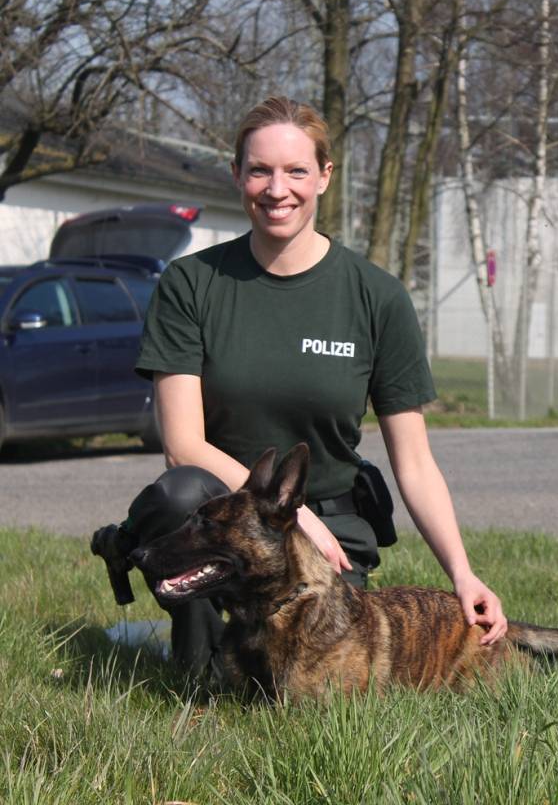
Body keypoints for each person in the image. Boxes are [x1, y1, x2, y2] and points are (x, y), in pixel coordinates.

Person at [107, 96, 506, 674]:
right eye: (259, 170)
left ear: (324, 176)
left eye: (296, 170)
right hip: (219, 516)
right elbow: (183, 447)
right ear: (237, 175)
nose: (277, 189)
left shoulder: (378, 297)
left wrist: (462, 573)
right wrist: (292, 514)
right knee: (179, 502)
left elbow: (415, 463)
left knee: (313, 664)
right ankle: (194, 652)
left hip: (331, 532)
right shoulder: (191, 284)